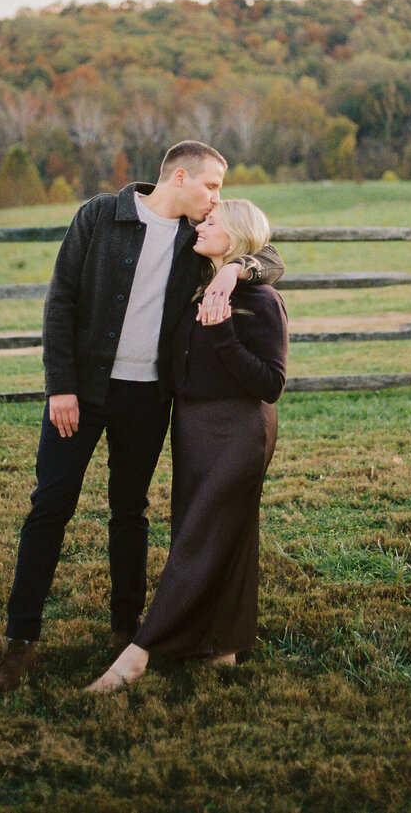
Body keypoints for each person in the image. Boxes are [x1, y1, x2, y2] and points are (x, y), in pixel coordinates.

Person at [0, 142, 284, 695]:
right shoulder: (101, 215)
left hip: (148, 398)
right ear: (180, 176)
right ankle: (19, 643)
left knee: (130, 513)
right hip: (81, 394)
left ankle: (124, 630)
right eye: (212, 186)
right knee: (50, 507)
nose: (217, 199)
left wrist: (236, 272)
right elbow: (61, 303)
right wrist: (62, 387)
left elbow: (271, 255)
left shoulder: (197, 243)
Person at [85, 197, 288, 692]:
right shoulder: (199, 287)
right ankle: (222, 644)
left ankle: (139, 652)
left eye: (212, 222)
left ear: (236, 237)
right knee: (221, 536)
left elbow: (270, 383)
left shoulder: (261, 301)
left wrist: (222, 333)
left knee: (199, 539)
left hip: (238, 430)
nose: (202, 224)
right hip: (193, 429)